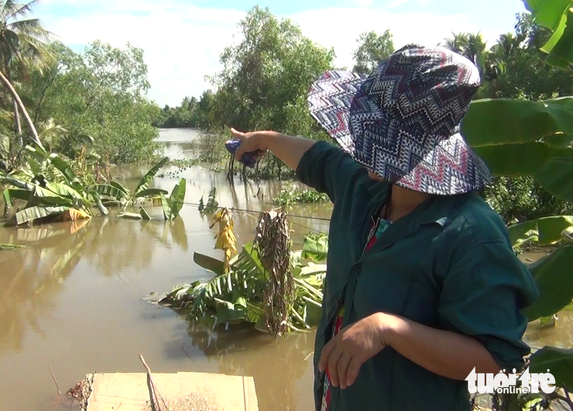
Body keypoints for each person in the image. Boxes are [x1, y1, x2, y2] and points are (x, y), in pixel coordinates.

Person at [230, 44, 539, 411]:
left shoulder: (471, 234)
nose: (359, 144)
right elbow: (319, 158)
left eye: (374, 133)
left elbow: (499, 366)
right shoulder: (365, 188)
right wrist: (263, 140)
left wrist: (389, 330)